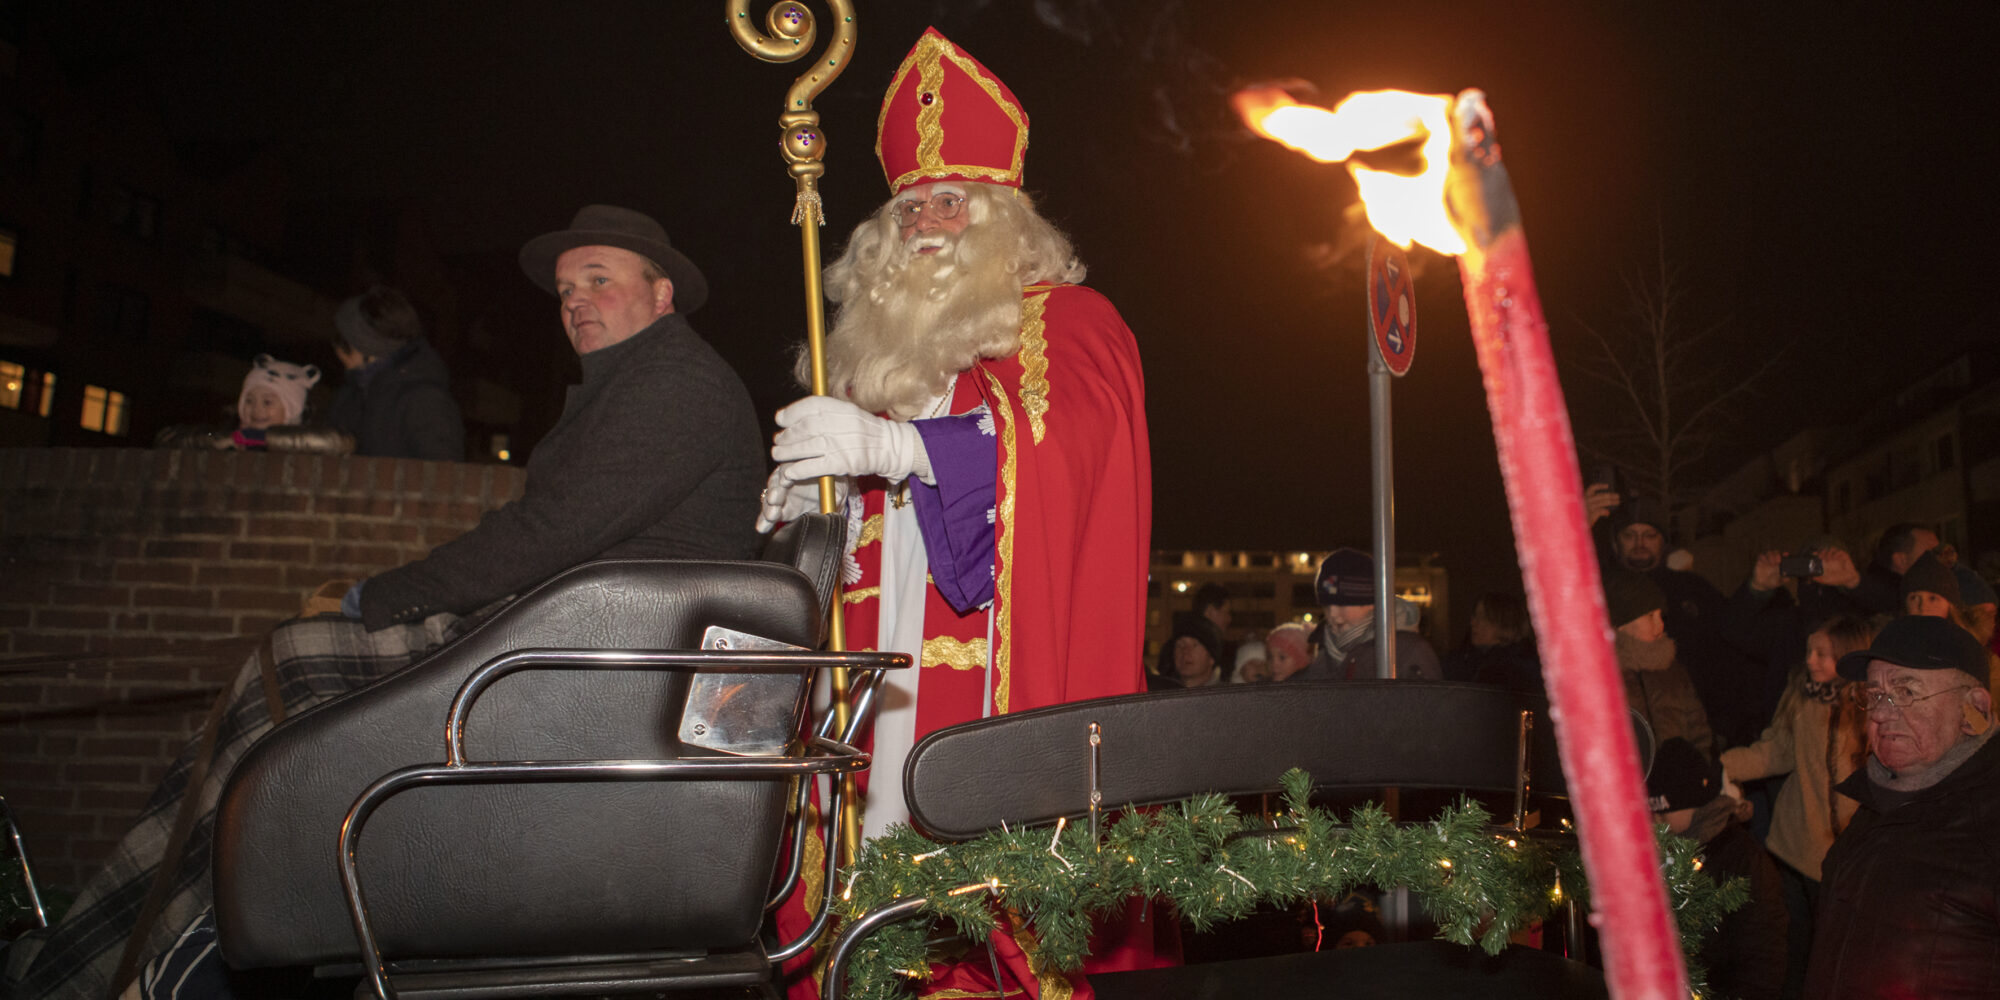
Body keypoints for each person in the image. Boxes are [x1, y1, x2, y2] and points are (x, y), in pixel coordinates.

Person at [2, 204, 765, 1000]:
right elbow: (541, 529)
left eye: (599, 281)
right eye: (568, 288)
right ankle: (129, 947)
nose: (575, 300)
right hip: (562, 641)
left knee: (290, 667)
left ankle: (101, 963)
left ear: (662, 293)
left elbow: (547, 534)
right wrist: (392, 596)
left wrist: (386, 597)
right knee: (278, 684)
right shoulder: (636, 384)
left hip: (594, 670)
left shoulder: (674, 386)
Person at [755, 27, 1156, 998]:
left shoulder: (1072, 324)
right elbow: (856, 541)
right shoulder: (875, 360)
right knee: (880, 904)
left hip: (996, 684)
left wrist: (903, 451)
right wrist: (812, 510)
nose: (926, 223)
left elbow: (1065, 460)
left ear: (1000, 213)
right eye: (907, 207)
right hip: (879, 684)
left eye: (948, 200)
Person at [1804, 615, 2000, 999]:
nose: (1879, 713)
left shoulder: (1990, 819)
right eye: (1874, 695)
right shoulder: (1873, 805)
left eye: (1906, 691)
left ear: (1973, 708)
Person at [1720, 614, 1876, 999]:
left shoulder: (1871, 707)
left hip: (1846, 854)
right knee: (1793, 948)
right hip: (1795, 845)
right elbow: (1776, 751)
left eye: (1823, 654)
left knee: (1839, 951)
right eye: (1810, 651)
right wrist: (1719, 767)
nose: (1811, 660)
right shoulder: (1803, 698)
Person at [1647, 737, 1788, 1000]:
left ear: (1696, 803)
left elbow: (1763, 959)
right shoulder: (1667, 850)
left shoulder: (1744, 862)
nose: (1656, 822)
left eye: (1663, 813)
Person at [324, 285, 466, 461]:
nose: (336, 351)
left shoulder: (424, 401)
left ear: (361, 346)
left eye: (340, 340)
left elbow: (443, 476)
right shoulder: (349, 397)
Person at [1605, 568, 1715, 757]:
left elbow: (1700, 734)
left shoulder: (1673, 670)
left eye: (1660, 616)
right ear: (1621, 624)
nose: (1660, 625)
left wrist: (1699, 771)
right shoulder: (1603, 677)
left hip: (1675, 780)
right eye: (1649, 616)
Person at [154, 354, 352, 454]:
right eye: (248, 400)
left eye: (268, 402)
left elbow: (338, 442)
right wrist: (223, 439)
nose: (256, 410)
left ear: (292, 409)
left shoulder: (309, 440)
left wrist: (255, 438)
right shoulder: (229, 432)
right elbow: (167, 438)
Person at [1299, 548, 1441, 681]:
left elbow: (1430, 705)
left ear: (1372, 604)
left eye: (1343, 604)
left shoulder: (1408, 652)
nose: (1333, 614)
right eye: (1327, 605)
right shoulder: (1325, 654)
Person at [1441, 591, 1541, 694]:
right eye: (1474, 616)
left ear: (1504, 623)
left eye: (1482, 617)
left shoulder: (1518, 670)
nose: (1473, 623)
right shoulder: (1467, 658)